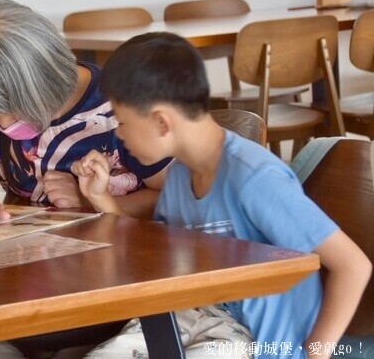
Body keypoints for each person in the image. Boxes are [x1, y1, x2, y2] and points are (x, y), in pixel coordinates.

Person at [72, 32, 371, 358]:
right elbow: (155, 250)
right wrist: (100, 198)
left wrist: (316, 354)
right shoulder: (181, 174)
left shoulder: (253, 178)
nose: (119, 134)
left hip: (252, 343)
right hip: (190, 318)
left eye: (123, 122)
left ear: (161, 122)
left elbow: (353, 266)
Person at [0, 0, 170, 228]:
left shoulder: (119, 108)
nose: (2, 124)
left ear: (45, 83)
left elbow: (172, 196)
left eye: (15, 112)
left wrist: (89, 199)